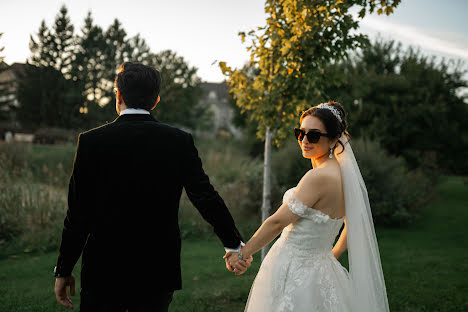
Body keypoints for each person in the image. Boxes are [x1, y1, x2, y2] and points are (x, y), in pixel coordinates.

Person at [53, 62, 250, 311]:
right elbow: (205, 196)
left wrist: (64, 269)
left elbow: (78, 214)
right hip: (158, 268)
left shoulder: (92, 142)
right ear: (156, 100)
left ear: (118, 96)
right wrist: (233, 245)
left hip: (103, 268)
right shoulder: (179, 141)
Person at [225, 101, 390, 311]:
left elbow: (277, 222)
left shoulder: (317, 177)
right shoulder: (345, 177)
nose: (304, 140)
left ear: (333, 140)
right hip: (325, 270)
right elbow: (353, 226)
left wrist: (243, 253)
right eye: (300, 133)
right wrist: (330, 256)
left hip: (293, 269)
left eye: (313, 135)